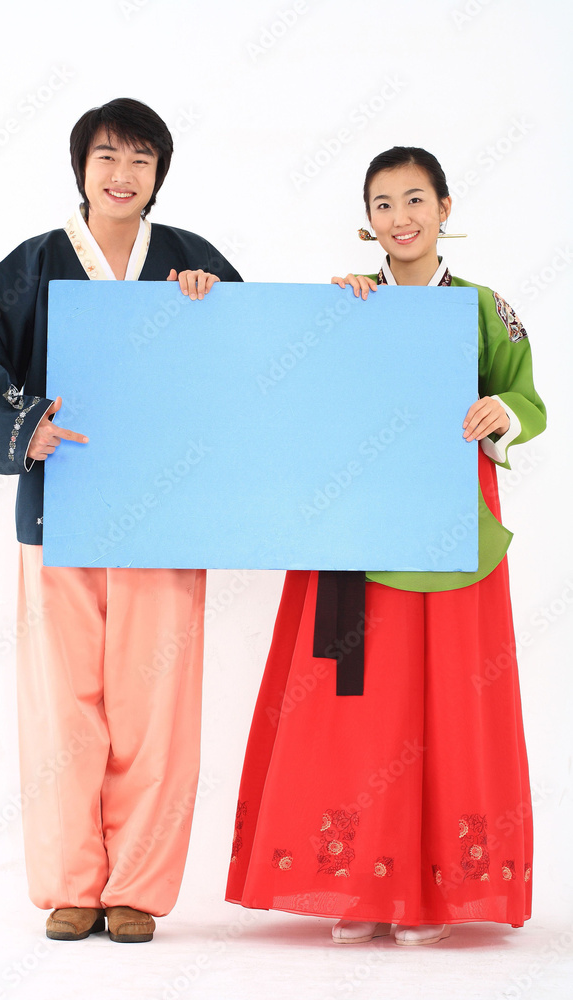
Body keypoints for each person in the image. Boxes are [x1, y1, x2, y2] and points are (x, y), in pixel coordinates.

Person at [225, 146, 545, 946]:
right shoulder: (349, 303)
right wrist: (333, 326)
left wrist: (500, 411)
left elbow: (528, 398)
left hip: (452, 532)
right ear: (366, 222)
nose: (400, 217)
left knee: (450, 706)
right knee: (361, 711)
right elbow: (298, 401)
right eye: (382, 204)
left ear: (444, 207)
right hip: (357, 535)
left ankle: (434, 892)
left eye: (414, 199)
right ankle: (362, 883)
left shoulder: (482, 307)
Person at [0, 98, 242, 943]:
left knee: (156, 709)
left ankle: (137, 888)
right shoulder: (31, 265)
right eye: (107, 156)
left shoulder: (192, 262)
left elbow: (258, 362)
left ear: (159, 174)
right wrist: (25, 425)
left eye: (141, 160)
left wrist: (214, 309)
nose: (122, 174)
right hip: (60, 509)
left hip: (168, 516)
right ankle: (72, 883)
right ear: (81, 166)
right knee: (63, 705)